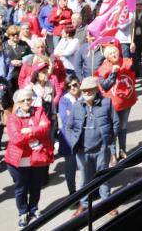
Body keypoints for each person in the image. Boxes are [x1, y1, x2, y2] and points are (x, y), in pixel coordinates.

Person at [64, 76, 119, 219]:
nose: (86, 93)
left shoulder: (106, 103)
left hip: (102, 148)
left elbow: (115, 123)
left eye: (89, 90)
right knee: (84, 180)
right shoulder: (77, 106)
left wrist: (110, 143)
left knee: (103, 178)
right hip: (83, 150)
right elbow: (68, 128)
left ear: (96, 90)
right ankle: (84, 204)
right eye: (84, 91)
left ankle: (106, 203)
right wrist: (74, 142)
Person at [4, 87, 54, 228]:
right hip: (19, 161)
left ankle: (34, 209)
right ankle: (23, 212)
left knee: (36, 186)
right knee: (21, 188)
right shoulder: (13, 118)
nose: (27, 102)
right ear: (17, 103)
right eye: (23, 100)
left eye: (29, 99)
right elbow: (16, 138)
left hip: (37, 157)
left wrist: (30, 130)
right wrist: (37, 131)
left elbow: (47, 127)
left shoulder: (39, 110)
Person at [97, 45, 136, 159]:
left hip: (126, 101)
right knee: (114, 128)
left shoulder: (126, 62)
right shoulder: (105, 67)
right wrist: (113, 73)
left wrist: (133, 53)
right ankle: (113, 153)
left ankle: (122, 150)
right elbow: (104, 86)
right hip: (113, 104)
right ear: (107, 57)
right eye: (111, 53)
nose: (114, 54)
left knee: (123, 127)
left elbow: (136, 69)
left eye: (115, 52)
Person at [57, 75, 80, 195]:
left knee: (85, 166)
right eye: (69, 86)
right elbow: (66, 119)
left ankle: (90, 189)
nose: (72, 88)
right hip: (69, 139)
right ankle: (72, 192)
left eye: (75, 85)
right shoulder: (64, 100)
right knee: (71, 167)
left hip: (83, 137)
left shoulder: (84, 96)